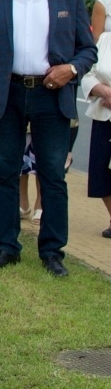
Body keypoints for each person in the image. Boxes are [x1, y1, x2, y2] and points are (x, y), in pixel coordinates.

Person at [0, 0, 97, 278]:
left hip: (50, 94)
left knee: (53, 174)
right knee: (6, 172)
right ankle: (7, 246)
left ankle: (53, 251)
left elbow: (88, 50)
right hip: (5, 96)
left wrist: (69, 69)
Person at [80, 22, 111, 238]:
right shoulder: (105, 40)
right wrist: (102, 90)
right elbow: (88, 73)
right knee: (101, 171)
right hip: (104, 114)